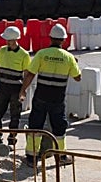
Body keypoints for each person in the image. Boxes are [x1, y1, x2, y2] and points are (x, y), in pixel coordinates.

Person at [20, 23, 81, 167]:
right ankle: (61, 156)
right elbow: (78, 77)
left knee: (36, 125)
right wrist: (75, 63)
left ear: (50, 38)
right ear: (63, 40)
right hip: (57, 99)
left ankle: (31, 158)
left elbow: (30, 74)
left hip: (41, 96)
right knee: (59, 127)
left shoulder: (42, 54)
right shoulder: (68, 57)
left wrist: (23, 90)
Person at [0, 25, 30, 148]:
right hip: (3, 87)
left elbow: (26, 74)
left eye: (9, 40)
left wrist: (23, 90)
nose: (6, 42)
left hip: (16, 89)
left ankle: (12, 141)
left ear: (15, 39)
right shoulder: (2, 50)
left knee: (15, 115)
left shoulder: (24, 55)